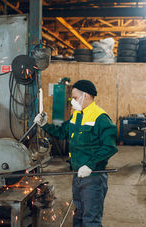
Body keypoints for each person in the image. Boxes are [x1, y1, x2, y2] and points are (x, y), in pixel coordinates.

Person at [34, 79, 118, 227]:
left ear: (85, 95)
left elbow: (109, 147)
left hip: (93, 177)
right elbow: (61, 133)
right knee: (78, 215)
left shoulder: (101, 118)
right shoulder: (76, 115)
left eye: (75, 98)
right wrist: (44, 125)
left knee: (91, 219)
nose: (72, 102)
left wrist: (90, 165)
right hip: (77, 174)